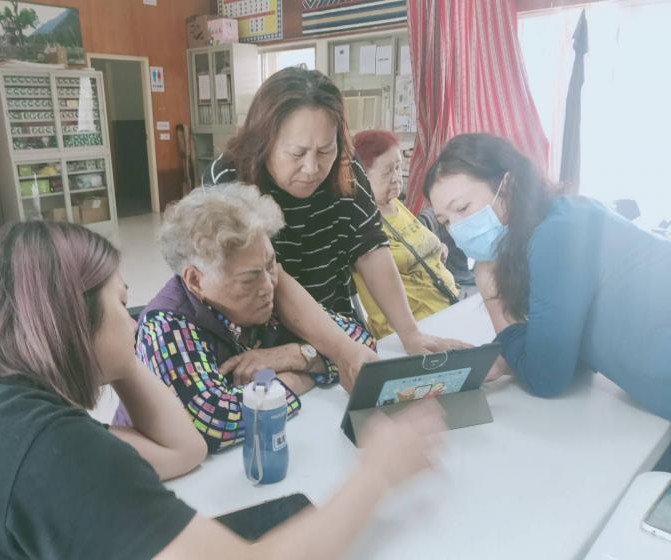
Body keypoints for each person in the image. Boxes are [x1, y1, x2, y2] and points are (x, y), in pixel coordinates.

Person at [0, 220, 444, 560]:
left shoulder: (3, 406)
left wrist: (116, 357)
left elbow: (182, 451)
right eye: (122, 304)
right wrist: (378, 474)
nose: (138, 318)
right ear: (75, 321)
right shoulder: (47, 448)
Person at [204, 67, 466, 356]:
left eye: (325, 150)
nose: (312, 168)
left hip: (335, 322)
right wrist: (340, 352)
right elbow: (271, 277)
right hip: (258, 340)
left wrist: (410, 333)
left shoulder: (345, 168)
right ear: (264, 141)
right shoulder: (230, 179)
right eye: (297, 153)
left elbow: (371, 249)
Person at [424, 133, 671, 419]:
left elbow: (547, 377)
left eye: (462, 208)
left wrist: (493, 297)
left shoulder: (555, 236)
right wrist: (506, 358)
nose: (457, 228)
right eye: (445, 221)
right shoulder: (562, 216)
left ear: (508, 185)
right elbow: (569, 350)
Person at [113, 184, 375, 453]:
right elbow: (215, 421)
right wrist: (299, 379)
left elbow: (359, 343)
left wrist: (298, 355)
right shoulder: (167, 326)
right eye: (249, 277)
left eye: (271, 264)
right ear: (196, 280)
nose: (268, 285)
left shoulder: (269, 296)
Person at [351, 130, 460, 339]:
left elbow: (415, 244)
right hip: (414, 330)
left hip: (449, 307)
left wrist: (436, 249)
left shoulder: (395, 205)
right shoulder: (359, 222)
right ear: (360, 176)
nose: (396, 178)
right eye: (387, 172)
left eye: (398, 167)